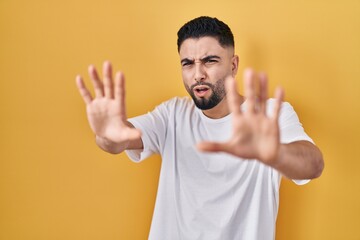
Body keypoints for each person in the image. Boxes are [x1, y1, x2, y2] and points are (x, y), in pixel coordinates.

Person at [76, 16, 324, 240]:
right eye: (187, 63)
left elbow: (313, 165)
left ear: (234, 65)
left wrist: (275, 153)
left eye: (210, 61)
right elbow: (116, 140)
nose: (197, 74)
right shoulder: (172, 115)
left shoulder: (270, 114)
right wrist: (108, 135)